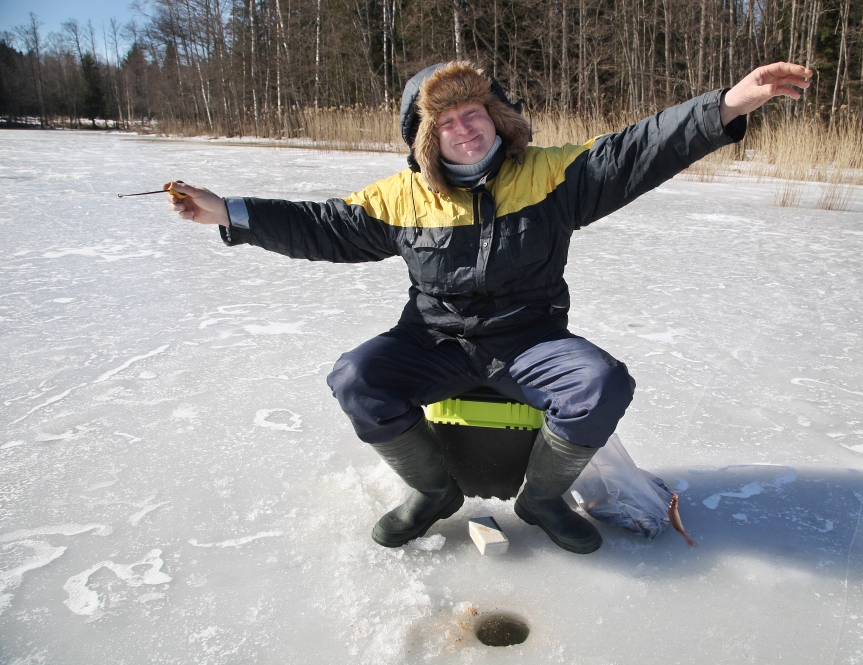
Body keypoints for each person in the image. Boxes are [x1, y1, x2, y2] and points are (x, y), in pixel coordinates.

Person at [167, 60, 812, 554]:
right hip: (433, 342)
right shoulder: (403, 197)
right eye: (445, 122)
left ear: (496, 117)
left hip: (530, 341)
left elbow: (638, 150)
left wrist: (731, 103)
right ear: (427, 139)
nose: (464, 128)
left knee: (600, 384)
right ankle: (432, 490)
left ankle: (544, 500)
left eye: (474, 112)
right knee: (356, 378)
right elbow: (322, 225)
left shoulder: (550, 176)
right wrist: (228, 212)